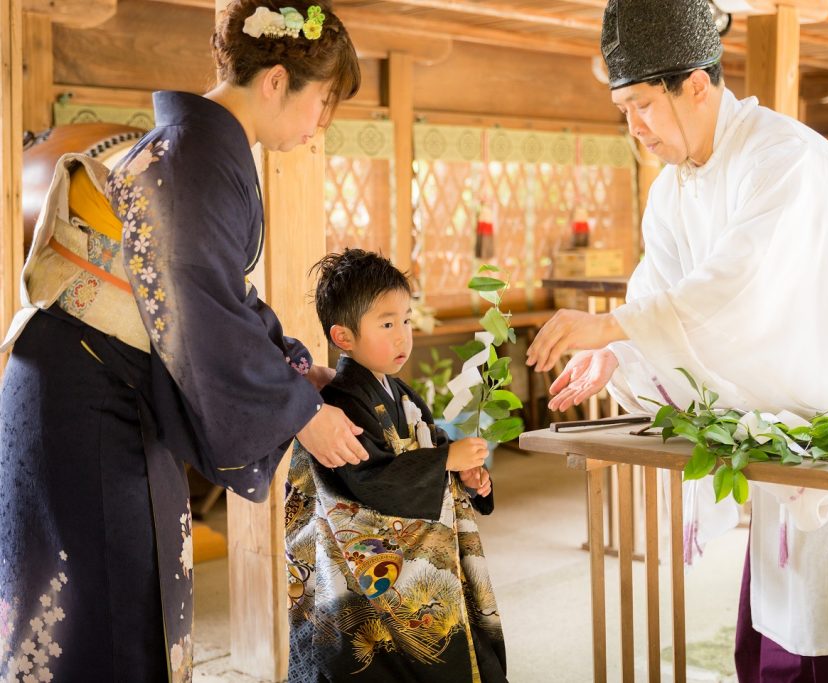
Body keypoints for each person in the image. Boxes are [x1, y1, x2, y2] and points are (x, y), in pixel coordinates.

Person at [526, 0, 828, 680]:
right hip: (797, 384)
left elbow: (740, 287)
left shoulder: (782, 157)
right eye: (624, 111)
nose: (635, 127)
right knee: (795, 564)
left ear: (697, 85)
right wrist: (614, 353)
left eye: (643, 105)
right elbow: (663, 296)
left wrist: (615, 324)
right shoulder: (672, 192)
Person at [0, 2, 369, 680]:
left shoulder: (191, 148)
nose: (321, 125)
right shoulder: (198, 154)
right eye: (322, 103)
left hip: (79, 380)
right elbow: (202, 309)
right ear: (276, 80)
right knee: (108, 616)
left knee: (94, 609)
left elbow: (216, 295)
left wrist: (293, 371)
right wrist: (300, 412)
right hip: (90, 397)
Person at [285, 249, 506, 682]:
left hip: (412, 568)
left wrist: (466, 476)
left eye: (406, 320)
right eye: (387, 324)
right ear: (343, 337)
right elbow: (367, 483)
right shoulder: (341, 402)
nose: (403, 336)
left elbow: (435, 445)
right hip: (363, 573)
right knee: (375, 659)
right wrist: (443, 459)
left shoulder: (400, 392)